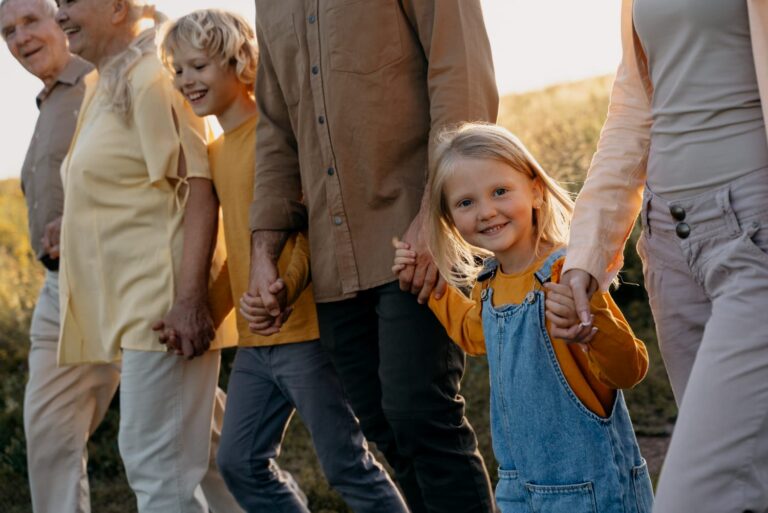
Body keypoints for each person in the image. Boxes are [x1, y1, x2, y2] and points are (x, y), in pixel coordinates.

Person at [246, 2, 498, 510]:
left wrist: (435, 214)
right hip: (334, 257)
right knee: (384, 426)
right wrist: (263, 248)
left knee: (421, 418)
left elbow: (461, 74)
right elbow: (276, 128)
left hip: (414, 231)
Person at [161, 10, 408, 513]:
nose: (187, 80)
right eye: (179, 69)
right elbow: (240, 254)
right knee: (239, 462)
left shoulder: (276, 140)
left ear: (242, 62)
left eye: (200, 66)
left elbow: (307, 232)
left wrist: (280, 289)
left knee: (346, 464)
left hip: (308, 334)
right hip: (257, 346)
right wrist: (207, 313)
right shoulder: (213, 151)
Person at [554, 1, 768, 511]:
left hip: (752, 237)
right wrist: (588, 252)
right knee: (752, 482)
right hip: (669, 250)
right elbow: (633, 110)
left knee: (698, 493)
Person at [393, 123, 653, 513]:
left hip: (589, 489)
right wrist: (434, 285)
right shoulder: (490, 283)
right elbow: (476, 335)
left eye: (499, 191)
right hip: (517, 486)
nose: (486, 211)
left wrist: (591, 331)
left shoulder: (566, 274)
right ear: (449, 219)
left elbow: (630, 370)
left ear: (534, 190)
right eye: (466, 203)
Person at [52, 1, 242, 512]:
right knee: (200, 467)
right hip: (139, 311)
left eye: (70, 2)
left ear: (118, 7)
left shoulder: (154, 76)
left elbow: (200, 186)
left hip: (163, 311)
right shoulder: (107, 81)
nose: (59, 14)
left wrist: (189, 301)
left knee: (157, 471)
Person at [0, 1, 120, 512]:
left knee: (190, 435)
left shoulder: (105, 79)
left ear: (64, 19)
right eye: (7, 31)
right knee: (49, 435)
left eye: (31, 21)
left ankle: (247, 499)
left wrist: (80, 223)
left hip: (117, 278)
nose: (20, 38)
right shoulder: (49, 101)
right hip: (58, 288)